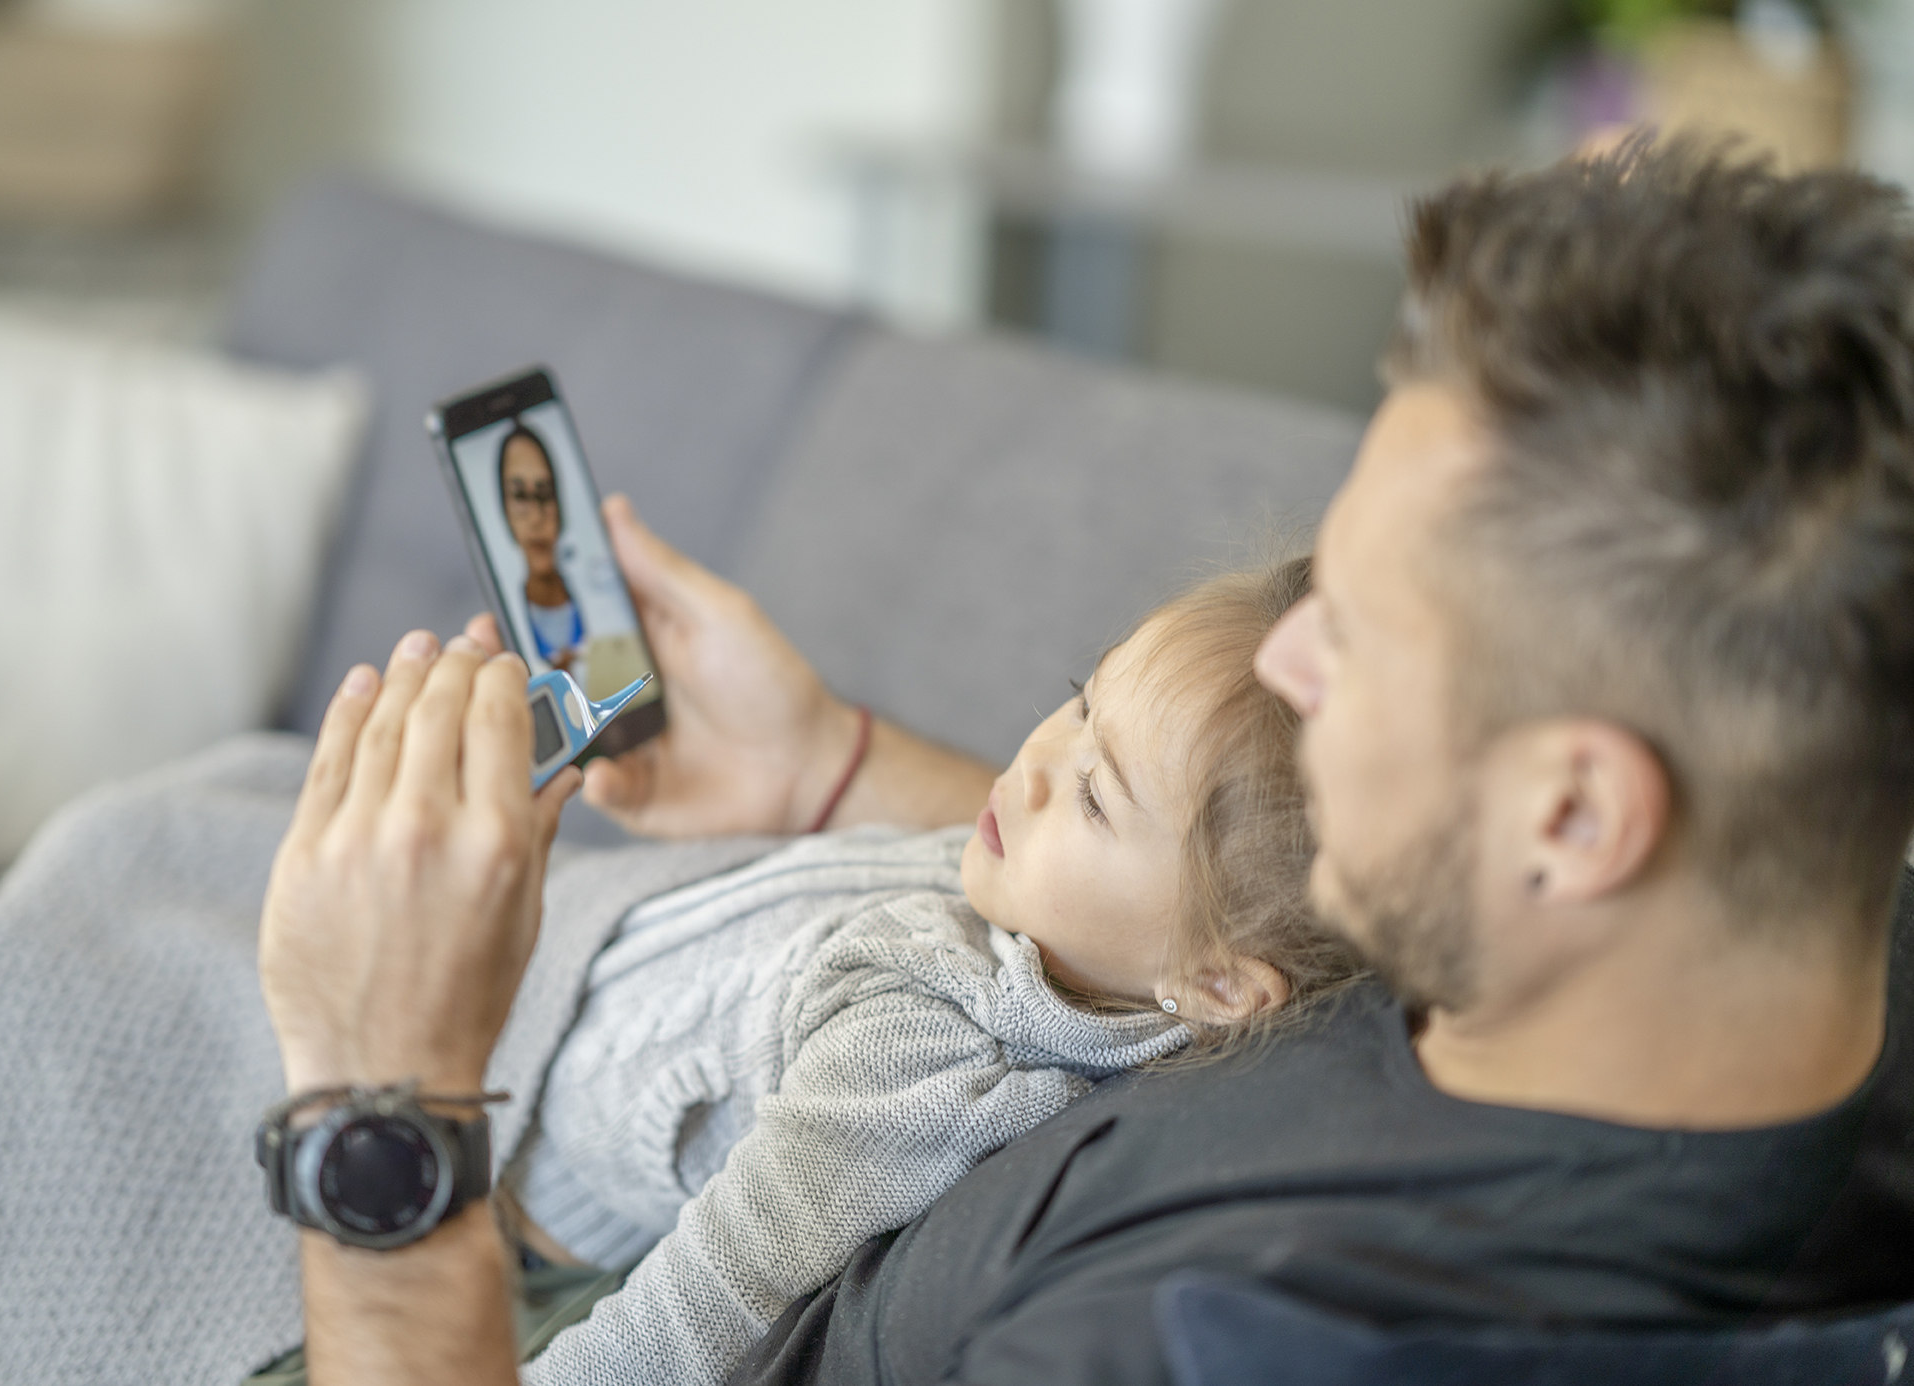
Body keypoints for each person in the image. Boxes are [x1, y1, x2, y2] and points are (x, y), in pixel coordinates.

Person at [256, 143, 1914, 1385]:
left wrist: (380, 1104)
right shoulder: (1740, 963)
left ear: (1570, 816)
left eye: (1364, 637)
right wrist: (838, 769)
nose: (1288, 660)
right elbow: (1234, 921)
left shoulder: (1218, 1340)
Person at [255, 557, 1362, 1384]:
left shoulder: (919, 1065)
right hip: (582, 1015)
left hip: (520, 1193)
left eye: (1093, 795)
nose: (1031, 763)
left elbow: (706, 1306)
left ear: (1220, 986)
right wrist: (820, 762)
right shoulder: (1043, 913)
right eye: (1080, 702)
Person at [498, 425, 582, 676]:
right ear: (505, 511)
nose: (536, 517)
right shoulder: (511, 618)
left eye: (545, 495)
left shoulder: (590, 598)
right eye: (520, 496)